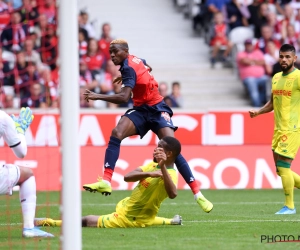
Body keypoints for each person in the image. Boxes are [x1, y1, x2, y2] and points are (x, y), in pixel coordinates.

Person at [82, 39, 213, 213]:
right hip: (141, 110)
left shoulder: (129, 67)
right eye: (110, 52)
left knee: (172, 147)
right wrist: (131, 77)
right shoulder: (134, 60)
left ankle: (198, 194)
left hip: (157, 109)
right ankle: (106, 181)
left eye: (115, 51)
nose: (112, 55)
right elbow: (146, 66)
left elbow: (123, 98)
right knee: (117, 133)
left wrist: (97, 96)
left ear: (125, 51)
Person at [35, 136, 183, 228]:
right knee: (148, 218)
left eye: (159, 148)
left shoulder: (170, 174)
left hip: (130, 218)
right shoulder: (152, 166)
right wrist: (150, 172)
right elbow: (127, 176)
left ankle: (48, 222)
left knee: (88, 220)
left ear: (169, 154)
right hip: (133, 208)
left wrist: (162, 167)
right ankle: (172, 221)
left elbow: (173, 194)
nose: (155, 150)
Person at [249, 44, 300, 214]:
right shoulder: (276, 77)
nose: (284, 60)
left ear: (295, 58)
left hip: (292, 129)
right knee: (280, 170)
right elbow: (272, 102)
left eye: (287, 57)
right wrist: (258, 112)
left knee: (284, 166)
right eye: (281, 56)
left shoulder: (298, 77)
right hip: (278, 129)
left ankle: (290, 206)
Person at [0, 107, 53, 237]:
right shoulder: (3, 117)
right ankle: (29, 228)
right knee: (28, 175)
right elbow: (21, 152)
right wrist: (20, 130)